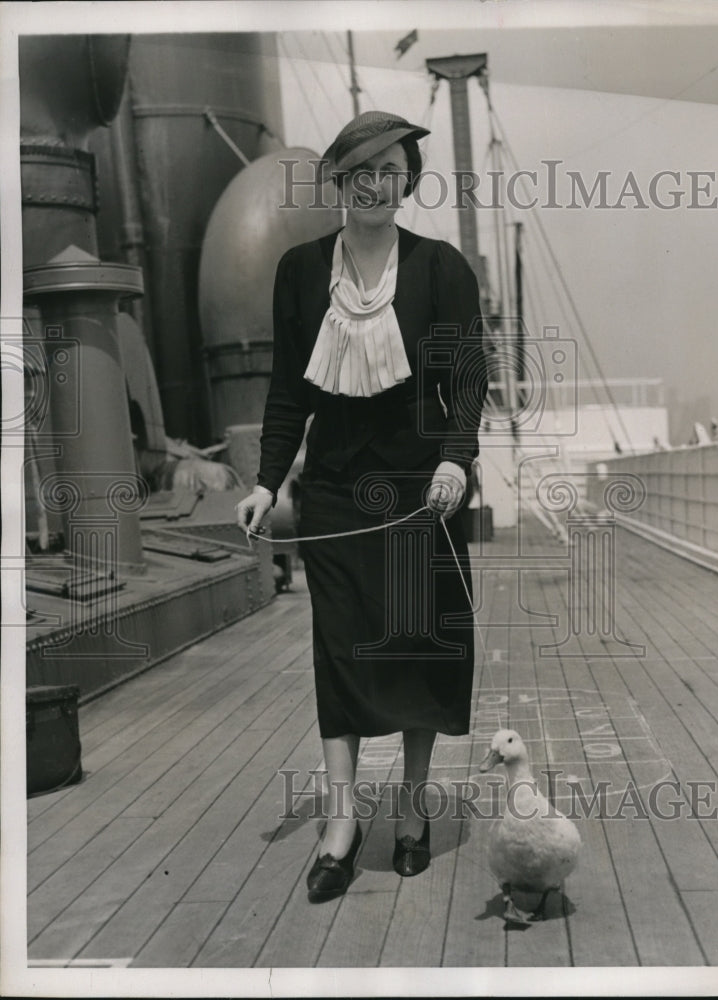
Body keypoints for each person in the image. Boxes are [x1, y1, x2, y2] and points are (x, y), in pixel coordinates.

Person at [236, 110, 488, 903]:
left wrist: (456, 459)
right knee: (341, 652)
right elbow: (288, 393)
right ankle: (341, 823)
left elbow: (467, 382)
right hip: (337, 496)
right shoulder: (301, 272)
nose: (376, 185)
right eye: (359, 171)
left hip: (422, 494)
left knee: (415, 645)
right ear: (338, 182)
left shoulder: (442, 268)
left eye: (391, 169)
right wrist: (265, 481)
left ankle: (412, 811)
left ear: (406, 180)